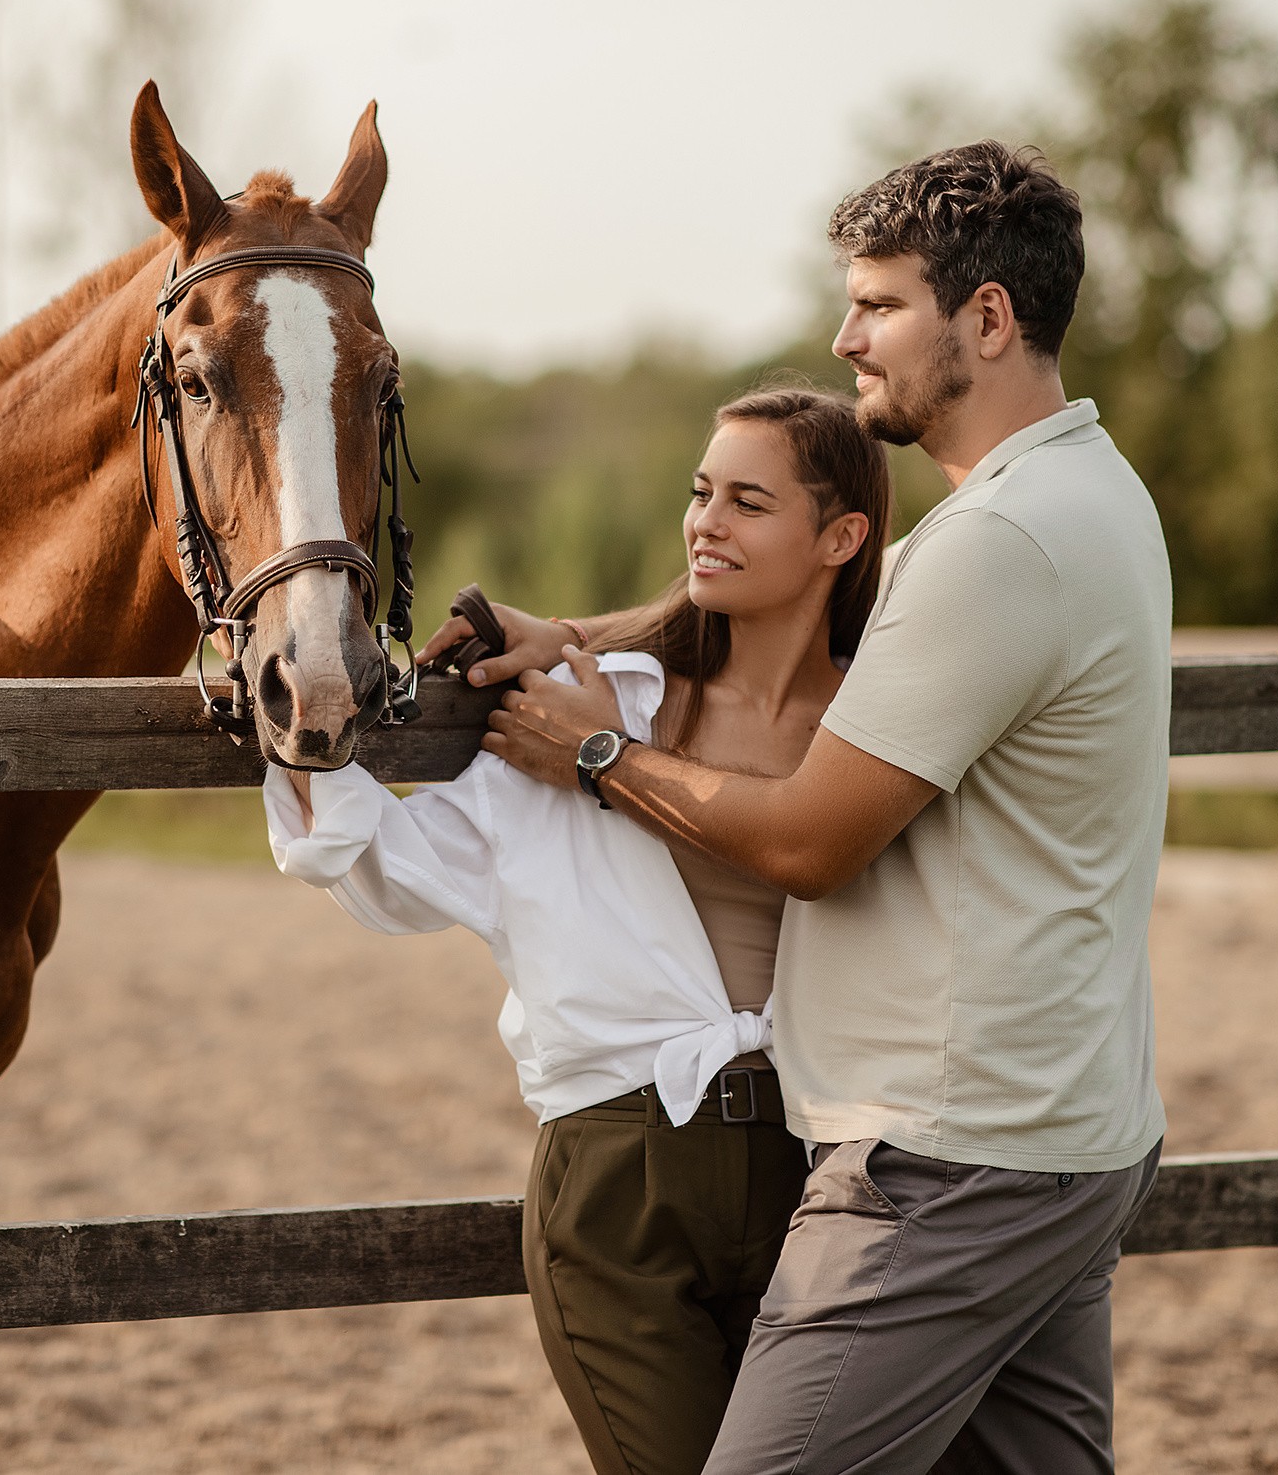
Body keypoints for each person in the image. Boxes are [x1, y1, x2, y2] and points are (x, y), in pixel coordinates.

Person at [444, 142, 1172, 1475]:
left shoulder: (995, 543)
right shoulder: (1086, 496)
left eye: (880, 305)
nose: (847, 340)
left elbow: (807, 840)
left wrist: (596, 752)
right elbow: (808, 602)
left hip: (948, 1158)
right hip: (1073, 1131)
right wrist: (584, 634)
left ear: (987, 317)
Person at [266, 388, 891, 1475]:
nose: (705, 523)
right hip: (619, 1183)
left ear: (841, 538)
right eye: (700, 492)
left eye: (747, 502)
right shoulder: (592, 703)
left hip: (824, 1177)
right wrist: (296, 705)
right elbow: (396, 873)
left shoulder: (876, 729)